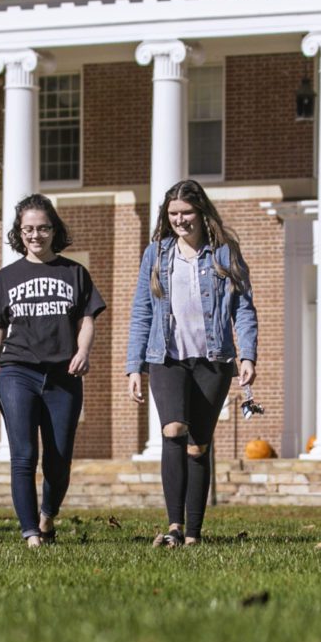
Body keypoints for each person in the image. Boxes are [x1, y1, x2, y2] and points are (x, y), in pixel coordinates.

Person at [124, 179, 259, 547]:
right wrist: (134, 364)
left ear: (200, 212)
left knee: (198, 445)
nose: (180, 220)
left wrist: (247, 354)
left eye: (185, 212)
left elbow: (244, 308)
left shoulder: (225, 253)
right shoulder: (156, 254)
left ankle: (194, 533)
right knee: (173, 430)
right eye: (173, 214)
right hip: (166, 357)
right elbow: (141, 311)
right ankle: (174, 526)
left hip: (213, 360)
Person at [0, 195, 105, 547]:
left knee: (59, 458)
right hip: (18, 371)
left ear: (54, 230)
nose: (35, 235)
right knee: (23, 455)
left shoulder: (74, 272)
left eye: (43, 228)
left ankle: (47, 516)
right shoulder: (7, 277)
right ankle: (30, 532)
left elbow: (87, 320)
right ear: (19, 233)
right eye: (28, 229)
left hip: (63, 376)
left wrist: (83, 351)